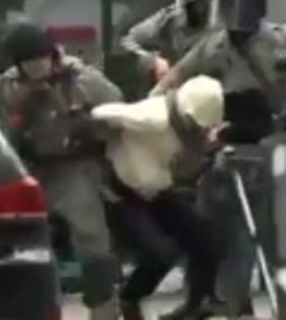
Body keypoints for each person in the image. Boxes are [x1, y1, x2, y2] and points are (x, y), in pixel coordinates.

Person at [151, 0, 286, 319]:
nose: (235, 23)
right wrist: (154, 105)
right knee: (230, 236)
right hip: (236, 146)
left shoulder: (281, 36)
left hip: (283, 141)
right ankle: (222, 302)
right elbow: (177, 76)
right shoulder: (214, 45)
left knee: (285, 237)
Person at [0, 23, 123, 320]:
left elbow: (119, 112)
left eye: (40, 59)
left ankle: (104, 308)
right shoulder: (8, 87)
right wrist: (20, 109)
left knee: (90, 236)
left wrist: (89, 125)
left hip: (74, 165)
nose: (36, 67)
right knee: (22, 238)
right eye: (28, 62)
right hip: (32, 166)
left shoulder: (82, 78)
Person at [91, 76, 227, 320]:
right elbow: (102, 112)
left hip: (158, 190)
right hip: (123, 191)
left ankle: (196, 304)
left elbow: (185, 167)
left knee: (204, 240)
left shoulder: (193, 130)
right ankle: (129, 298)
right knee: (161, 253)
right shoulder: (151, 118)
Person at [120, 0, 219, 81]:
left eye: (205, 1)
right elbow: (128, 40)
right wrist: (153, 61)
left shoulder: (223, 20)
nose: (201, 7)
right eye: (197, 2)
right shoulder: (170, 19)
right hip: (175, 85)